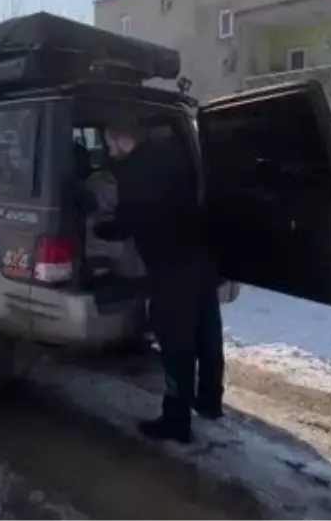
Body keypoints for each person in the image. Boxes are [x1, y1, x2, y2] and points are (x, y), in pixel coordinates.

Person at [94, 118, 224, 443]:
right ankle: (209, 400)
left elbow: (125, 224)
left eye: (110, 144)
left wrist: (98, 225)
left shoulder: (137, 172)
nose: (108, 151)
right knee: (206, 332)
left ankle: (176, 421)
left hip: (172, 267)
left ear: (125, 140)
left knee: (176, 343)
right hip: (202, 258)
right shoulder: (174, 156)